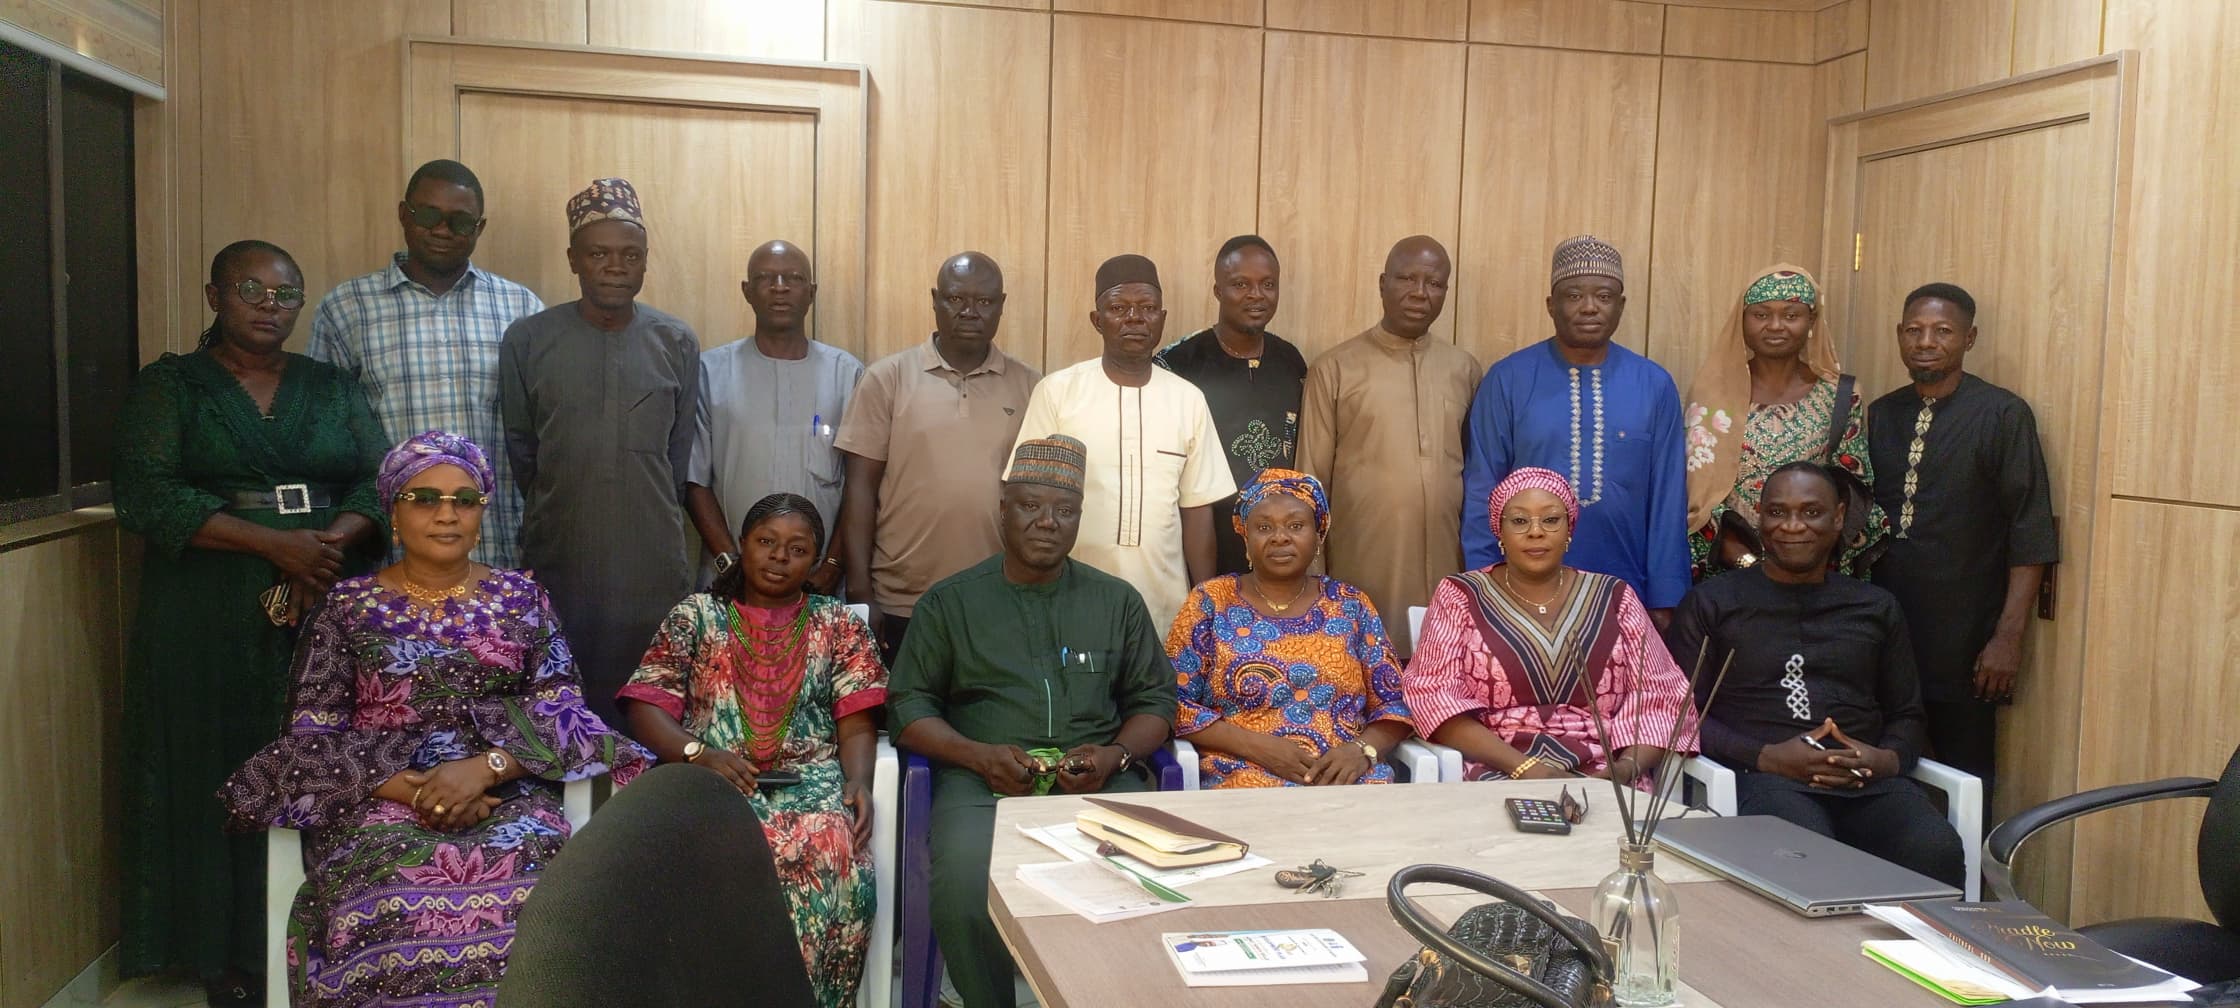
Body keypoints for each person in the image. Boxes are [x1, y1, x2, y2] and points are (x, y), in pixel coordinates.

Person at [217, 431, 649, 1008]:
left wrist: (486, 769)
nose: (447, 514)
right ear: (394, 514)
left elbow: (562, 707)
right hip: (377, 800)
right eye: (424, 498)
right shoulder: (347, 608)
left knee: (536, 880)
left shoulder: (523, 598)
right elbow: (311, 736)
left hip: (507, 796)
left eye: (464, 500)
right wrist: (423, 792)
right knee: (387, 888)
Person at [112, 239, 388, 1003]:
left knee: (316, 758)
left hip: (325, 592)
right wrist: (274, 546)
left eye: (286, 294)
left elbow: (378, 477)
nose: (270, 307)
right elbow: (147, 494)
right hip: (202, 607)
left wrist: (324, 548)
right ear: (214, 296)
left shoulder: (329, 384)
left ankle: (322, 937)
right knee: (215, 759)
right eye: (251, 290)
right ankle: (223, 956)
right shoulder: (172, 386)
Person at [888, 435, 1177, 1008]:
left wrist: (1114, 755)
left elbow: (1156, 701)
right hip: (982, 779)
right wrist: (977, 756)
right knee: (967, 889)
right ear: (1003, 509)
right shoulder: (950, 603)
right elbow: (908, 706)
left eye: (1065, 510)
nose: (1047, 522)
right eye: (1030, 506)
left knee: (1145, 882)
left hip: (1099, 778)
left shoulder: (1116, 601)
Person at [620, 493, 885, 1007]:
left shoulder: (837, 622)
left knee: (836, 846)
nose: (779, 557)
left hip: (810, 780)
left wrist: (859, 781)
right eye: (766, 541)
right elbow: (646, 704)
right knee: (707, 848)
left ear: (815, 560)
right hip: (708, 774)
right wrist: (697, 753)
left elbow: (856, 719)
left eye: (797, 549)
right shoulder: (697, 614)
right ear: (742, 544)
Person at [1665, 462, 1965, 886]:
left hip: (1867, 783)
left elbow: (1907, 714)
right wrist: (1765, 756)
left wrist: (1885, 759)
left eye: (1811, 512)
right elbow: (1680, 714)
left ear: (1838, 517)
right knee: (1805, 854)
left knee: (1936, 849)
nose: (1792, 526)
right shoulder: (1713, 603)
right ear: (1759, 516)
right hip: (1765, 779)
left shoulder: (1875, 606)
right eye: (1777, 512)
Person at [501, 177, 700, 726]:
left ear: (645, 262)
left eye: (630, 255)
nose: (615, 266)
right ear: (573, 259)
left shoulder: (676, 341)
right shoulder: (528, 339)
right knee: (560, 700)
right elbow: (523, 450)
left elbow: (677, 457)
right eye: (599, 253)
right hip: (562, 552)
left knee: (650, 701)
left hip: (650, 560)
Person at [1868, 283, 2056, 802]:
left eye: (1943, 331)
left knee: (1964, 779)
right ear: (1899, 335)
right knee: (1888, 768)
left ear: (1969, 339)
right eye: (1914, 330)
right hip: (1887, 630)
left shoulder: (2003, 415)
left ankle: (1966, 859)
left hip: (1968, 638)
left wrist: (2008, 638)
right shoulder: (1881, 414)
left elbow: (2030, 531)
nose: (1926, 342)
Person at [309, 158, 544, 567]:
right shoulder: (346, 309)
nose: (442, 230)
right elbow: (326, 441)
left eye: (460, 222)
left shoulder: (520, 309)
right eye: (429, 216)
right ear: (404, 214)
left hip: (499, 549)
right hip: (391, 555)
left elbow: (544, 434)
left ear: (479, 228)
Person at [1406, 468, 1696, 783]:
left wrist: (1626, 768)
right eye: (1519, 521)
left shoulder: (1615, 596)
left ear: (1570, 528)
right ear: (1499, 531)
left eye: (1550, 520)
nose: (1536, 532)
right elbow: (1433, 696)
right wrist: (1528, 769)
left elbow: (1662, 698)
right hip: (1495, 770)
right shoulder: (1460, 595)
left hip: (1605, 775)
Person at [1462, 235, 1688, 623]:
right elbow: (1483, 488)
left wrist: (1666, 598)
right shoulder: (1508, 380)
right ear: (1551, 305)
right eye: (1573, 296)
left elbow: (1668, 499)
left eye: (1603, 296)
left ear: (1621, 306)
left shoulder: (1654, 385)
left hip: (1626, 590)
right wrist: (1483, 584)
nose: (1589, 307)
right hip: (1519, 593)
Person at [837, 252, 1040, 666]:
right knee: (902, 709)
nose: (969, 311)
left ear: (1001, 305)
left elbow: (1038, 499)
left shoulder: (1030, 386)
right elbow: (859, 489)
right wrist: (860, 592)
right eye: (956, 298)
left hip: (997, 600)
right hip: (900, 601)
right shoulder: (887, 378)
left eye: (984, 301)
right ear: (935, 299)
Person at [1012, 254, 1233, 625]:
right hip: (1067, 604)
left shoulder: (1188, 400)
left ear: (1162, 318)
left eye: (1147, 308)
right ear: (1097, 321)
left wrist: (1203, 607)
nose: (1134, 318)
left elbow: (1197, 512)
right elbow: (1025, 501)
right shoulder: (1057, 393)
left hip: (1163, 609)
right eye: (1118, 308)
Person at [1165, 469, 1414, 788]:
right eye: (1264, 527)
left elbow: (1394, 705)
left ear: (1318, 534)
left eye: (1296, 526)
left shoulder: (1351, 604)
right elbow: (1173, 703)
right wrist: (1258, 748)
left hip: (1346, 778)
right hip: (1244, 774)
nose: (1279, 537)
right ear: (1245, 536)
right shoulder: (1211, 601)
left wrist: (1360, 751)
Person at [501, 764, 818, 1008]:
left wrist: (493, 765)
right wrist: (697, 753)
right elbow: (650, 706)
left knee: (819, 839)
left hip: (799, 777)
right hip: (704, 766)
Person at [1297, 235, 1480, 656]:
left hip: (1447, 572)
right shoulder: (1335, 368)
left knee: (1441, 670)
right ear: (1383, 284)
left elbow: (1478, 478)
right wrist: (1311, 584)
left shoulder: (1464, 370)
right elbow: (1309, 485)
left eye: (1434, 283)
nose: (1420, 292)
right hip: (1361, 570)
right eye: (1406, 279)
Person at [1682, 265, 1886, 579]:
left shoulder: (1841, 394)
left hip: (1814, 571)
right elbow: (1698, 490)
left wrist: (1804, 559)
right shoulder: (1713, 394)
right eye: (1761, 315)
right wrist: (1747, 561)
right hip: (1730, 568)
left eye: (1791, 315)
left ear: (1811, 321)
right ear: (1742, 321)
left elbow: (1853, 486)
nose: (1775, 326)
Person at [688, 240, 864, 590]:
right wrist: (729, 563)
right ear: (747, 291)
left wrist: (830, 570)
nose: (779, 287)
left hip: (819, 584)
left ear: (811, 292)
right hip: (730, 581)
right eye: (765, 278)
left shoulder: (847, 375)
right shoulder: (710, 372)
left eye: (793, 278)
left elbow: (860, 487)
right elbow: (694, 481)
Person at [1154, 235, 1309, 576]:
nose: (1256, 295)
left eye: (1268, 284)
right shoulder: (1177, 364)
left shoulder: (1290, 361)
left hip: (1276, 555)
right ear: (1218, 291)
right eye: (1241, 284)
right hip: (1193, 550)